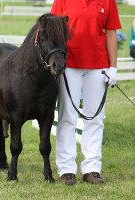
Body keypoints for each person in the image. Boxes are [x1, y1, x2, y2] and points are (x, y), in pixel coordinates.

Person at [50, 0, 121, 185]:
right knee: (67, 116)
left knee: (95, 117)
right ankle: (66, 169)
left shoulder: (108, 1)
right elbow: (54, 31)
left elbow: (111, 34)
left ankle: (92, 168)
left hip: (98, 66)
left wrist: (113, 67)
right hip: (69, 65)